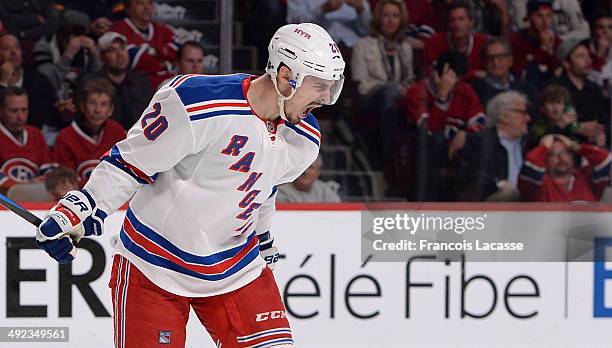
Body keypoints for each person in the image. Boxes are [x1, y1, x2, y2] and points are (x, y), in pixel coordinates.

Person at [35, 23, 345, 347]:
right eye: (319, 86)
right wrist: (78, 210)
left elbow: (265, 188)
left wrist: (263, 236)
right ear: (285, 76)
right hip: (155, 266)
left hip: (237, 267)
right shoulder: (196, 104)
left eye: (330, 86)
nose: (326, 97)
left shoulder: (304, 136)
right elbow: (131, 162)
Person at [351, 0, 414, 162]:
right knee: (390, 91)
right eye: (386, 15)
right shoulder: (362, 45)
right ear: (378, 18)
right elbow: (361, 85)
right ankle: (390, 157)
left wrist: (402, 89)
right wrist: (393, 88)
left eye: (395, 16)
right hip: (369, 98)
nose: (390, 20)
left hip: (398, 97)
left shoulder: (405, 47)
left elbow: (410, 79)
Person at [454, 91, 531, 202]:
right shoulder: (479, 141)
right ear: (504, 116)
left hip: (528, 206)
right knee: (510, 192)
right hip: (490, 204)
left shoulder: (528, 144)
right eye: (523, 113)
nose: (528, 118)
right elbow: (471, 178)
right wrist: (499, 184)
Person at [53, 78, 126, 183]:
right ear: (83, 106)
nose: (97, 110)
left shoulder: (117, 132)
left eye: (104, 104)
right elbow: (66, 184)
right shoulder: (65, 137)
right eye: (92, 103)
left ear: (111, 110)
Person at [80, 31, 153, 130]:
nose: (120, 54)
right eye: (112, 50)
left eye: (122, 48)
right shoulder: (90, 83)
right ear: (102, 56)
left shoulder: (142, 81)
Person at [546, 37, 610, 145]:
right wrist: (576, 129)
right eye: (581, 56)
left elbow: (607, 119)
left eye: (588, 56)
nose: (588, 60)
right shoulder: (553, 89)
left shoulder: (594, 88)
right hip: (566, 147)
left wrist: (603, 133)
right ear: (566, 63)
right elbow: (546, 126)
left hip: (597, 147)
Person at [518, 134, 611, 202]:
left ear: (572, 156)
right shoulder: (536, 186)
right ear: (544, 158)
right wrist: (544, 147)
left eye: (565, 152)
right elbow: (531, 162)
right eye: (553, 154)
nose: (561, 158)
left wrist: (575, 146)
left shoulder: (586, 179)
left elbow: (606, 159)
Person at [108, 0, 178, 88]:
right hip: (135, 87)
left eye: (149, 3)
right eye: (140, 3)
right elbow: (135, 60)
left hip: (169, 85)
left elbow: (178, 52)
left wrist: (150, 50)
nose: (147, 8)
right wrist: (162, 57)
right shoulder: (118, 30)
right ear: (127, 9)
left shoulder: (162, 30)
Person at [0, 87, 55, 192]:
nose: (20, 117)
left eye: (24, 110)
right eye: (14, 111)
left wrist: (47, 179)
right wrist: (26, 186)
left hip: (34, 201)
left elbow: (48, 167)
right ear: (1, 111)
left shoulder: (36, 134)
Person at [469, 37, 538, 115]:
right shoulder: (475, 91)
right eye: (490, 58)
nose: (495, 63)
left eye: (500, 57)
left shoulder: (527, 88)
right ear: (484, 62)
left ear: (510, 60)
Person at [422, 2, 488, 80]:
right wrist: (473, 73)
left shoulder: (483, 42)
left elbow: (489, 73)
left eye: (461, 19)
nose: (456, 24)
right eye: (452, 20)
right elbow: (431, 74)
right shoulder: (434, 42)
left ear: (471, 22)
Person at [509, 0, 561, 87]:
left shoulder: (557, 41)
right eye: (539, 16)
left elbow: (558, 73)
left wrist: (550, 51)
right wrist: (543, 50)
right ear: (529, 17)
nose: (545, 21)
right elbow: (521, 74)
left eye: (548, 15)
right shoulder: (515, 40)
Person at [286, 0, 372, 48]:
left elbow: (368, 31)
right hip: (317, 47)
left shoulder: (361, 3)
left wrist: (361, 11)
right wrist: (322, 10)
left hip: (355, 46)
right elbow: (296, 27)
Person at [277, 155, 341, 203]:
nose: (305, 171)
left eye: (310, 167)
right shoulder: (281, 192)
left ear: (318, 171)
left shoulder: (325, 191)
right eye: (301, 167)